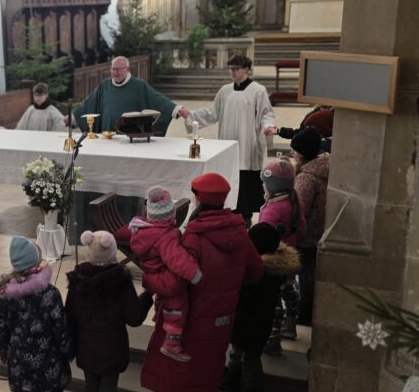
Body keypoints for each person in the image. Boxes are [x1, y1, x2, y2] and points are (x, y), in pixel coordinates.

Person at [140, 172, 264, 392]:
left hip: (194, 319)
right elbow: (255, 271)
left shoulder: (194, 237)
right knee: (207, 374)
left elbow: (175, 283)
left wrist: (148, 281)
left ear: (198, 199)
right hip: (223, 319)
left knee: (186, 378)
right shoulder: (239, 231)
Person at [65, 230, 152, 392]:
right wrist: (147, 297)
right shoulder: (120, 281)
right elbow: (134, 318)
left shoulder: (78, 281)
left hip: (87, 348)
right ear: (112, 252)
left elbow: (69, 315)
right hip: (112, 349)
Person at [0, 236, 72, 392]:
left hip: (20, 361)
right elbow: (60, 327)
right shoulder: (49, 293)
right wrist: (67, 351)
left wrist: (3, 351)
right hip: (49, 360)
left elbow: (1, 326)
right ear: (35, 262)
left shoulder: (4, 293)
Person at [180, 54, 277, 222]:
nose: (232, 72)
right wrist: (191, 115)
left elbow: (266, 113)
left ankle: (245, 219)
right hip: (228, 143)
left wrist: (268, 126)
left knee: (246, 183)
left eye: (236, 68)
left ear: (246, 69)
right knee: (230, 179)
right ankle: (229, 215)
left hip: (248, 145)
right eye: (230, 68)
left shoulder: (258, 90)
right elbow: (212, 113)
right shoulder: (225, 91)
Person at [225, 223, 300, 392]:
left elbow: (248, 298)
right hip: (256, 322)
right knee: (238, 352)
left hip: (250, 322)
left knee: (249, 358)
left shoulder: (260, 271)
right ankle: (232, 380)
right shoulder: (273, 269)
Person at [128, 186, 203, 362]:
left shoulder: (142, 229)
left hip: (152, 274)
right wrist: (195, 274)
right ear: (170, 214)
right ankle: (171, 343)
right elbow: (177, 258)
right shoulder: (165, 236)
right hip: (164, 276)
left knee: (166, 298)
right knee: (178, 304)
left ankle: (160, 314)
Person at [71, 55, 180, 136]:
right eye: (113, 69)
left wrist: (176, 109)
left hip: (129, 137)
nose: (115, 72)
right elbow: (89, 103)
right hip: (107, 136)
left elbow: (157, 100)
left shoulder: (139, 85)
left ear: (127, 69)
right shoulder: (105, 85)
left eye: (118, 69)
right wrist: (73, 117)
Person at [257, 157, 303, 350]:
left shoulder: (272, 210)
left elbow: (262, 236)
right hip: (289, 257)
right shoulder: (292, 201)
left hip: (273, 260)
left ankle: (273, 337)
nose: (263, 186)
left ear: (272, 186)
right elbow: (302, 228)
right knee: (289, 289)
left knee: (273, 298)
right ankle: (291, 324)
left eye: (265, 183)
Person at [291, 126, 330, 326]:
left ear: (302, 153)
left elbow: (299, 209)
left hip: (308, 234)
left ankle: (305, 312)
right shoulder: (323, 167)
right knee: (312, 271)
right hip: (321, 228)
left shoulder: (307, 177)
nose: (292, 153)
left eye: (295, 150)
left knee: (305, 273)